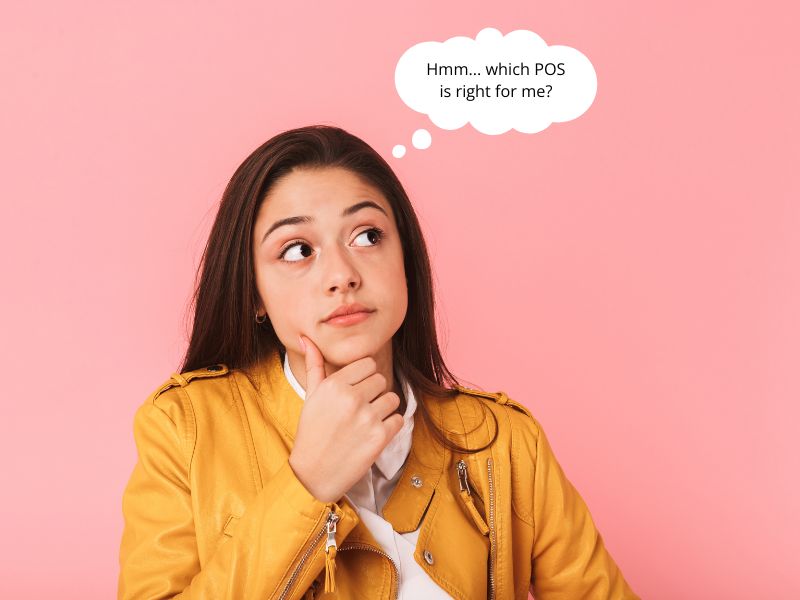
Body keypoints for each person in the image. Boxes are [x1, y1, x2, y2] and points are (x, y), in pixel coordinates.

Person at [117, 124, 640, 599]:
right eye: (298, 249)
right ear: (253, 291)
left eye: (367, 236)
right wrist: (306, 486)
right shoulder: (184, 428)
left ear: (404, 259)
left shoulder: (504, 442)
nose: (342, 274)